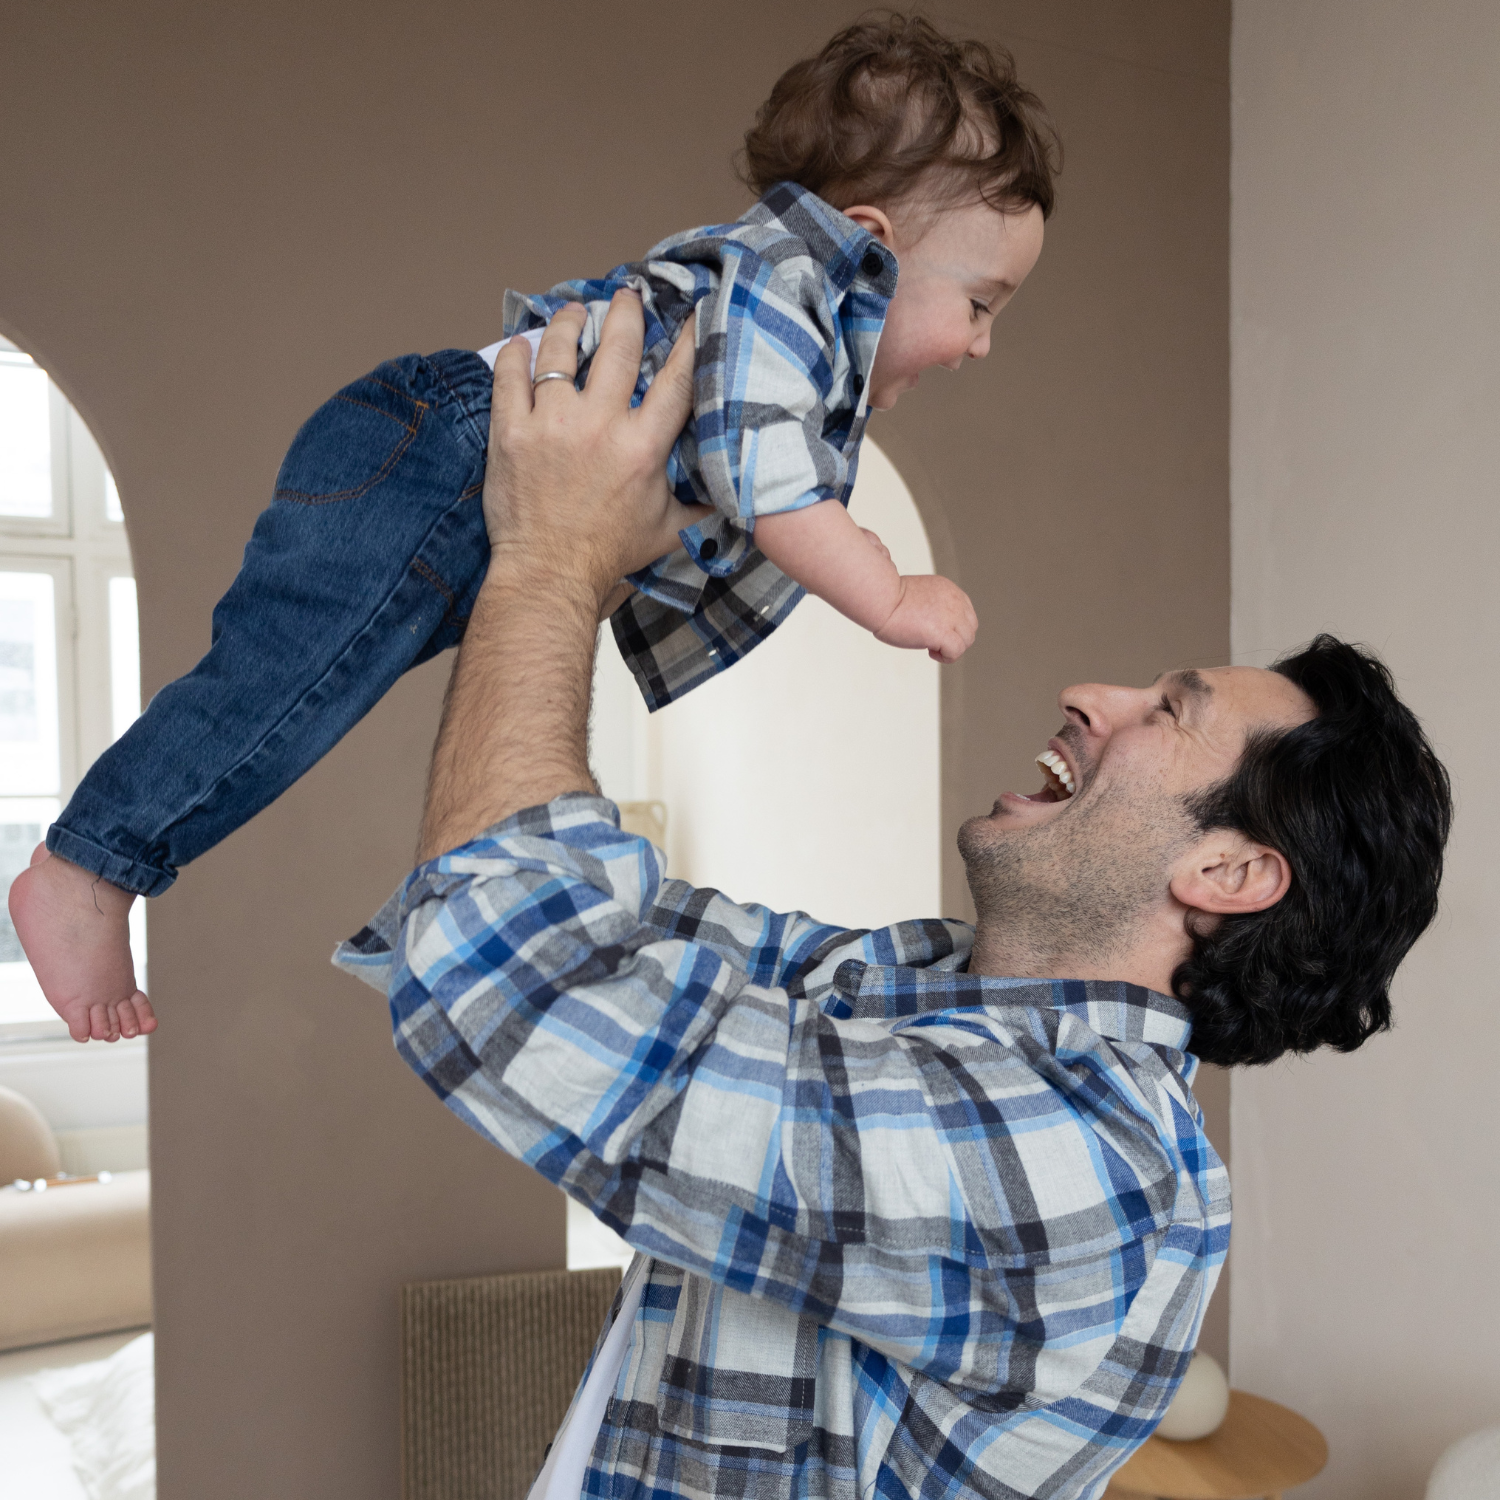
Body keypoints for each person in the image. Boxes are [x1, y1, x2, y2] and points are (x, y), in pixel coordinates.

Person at [335, 297, 1450, 1499]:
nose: (1090, 693)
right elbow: (584, 940)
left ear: (1227, 874)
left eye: (1166, 711)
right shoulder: (923, 984)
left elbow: (517, 981)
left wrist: (551, 557)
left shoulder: (1084, 1165)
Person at [10, 13, 1059, 1046]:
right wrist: (887, 589)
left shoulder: (793, 321)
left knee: (311, 689)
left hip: (462, 488)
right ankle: (91, 863)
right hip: (442, 450)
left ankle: (117, 861)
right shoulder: (788, 291)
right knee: (284, 682)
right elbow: (774, 484)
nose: (982, 345)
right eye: (980, 303)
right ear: (869, 247)